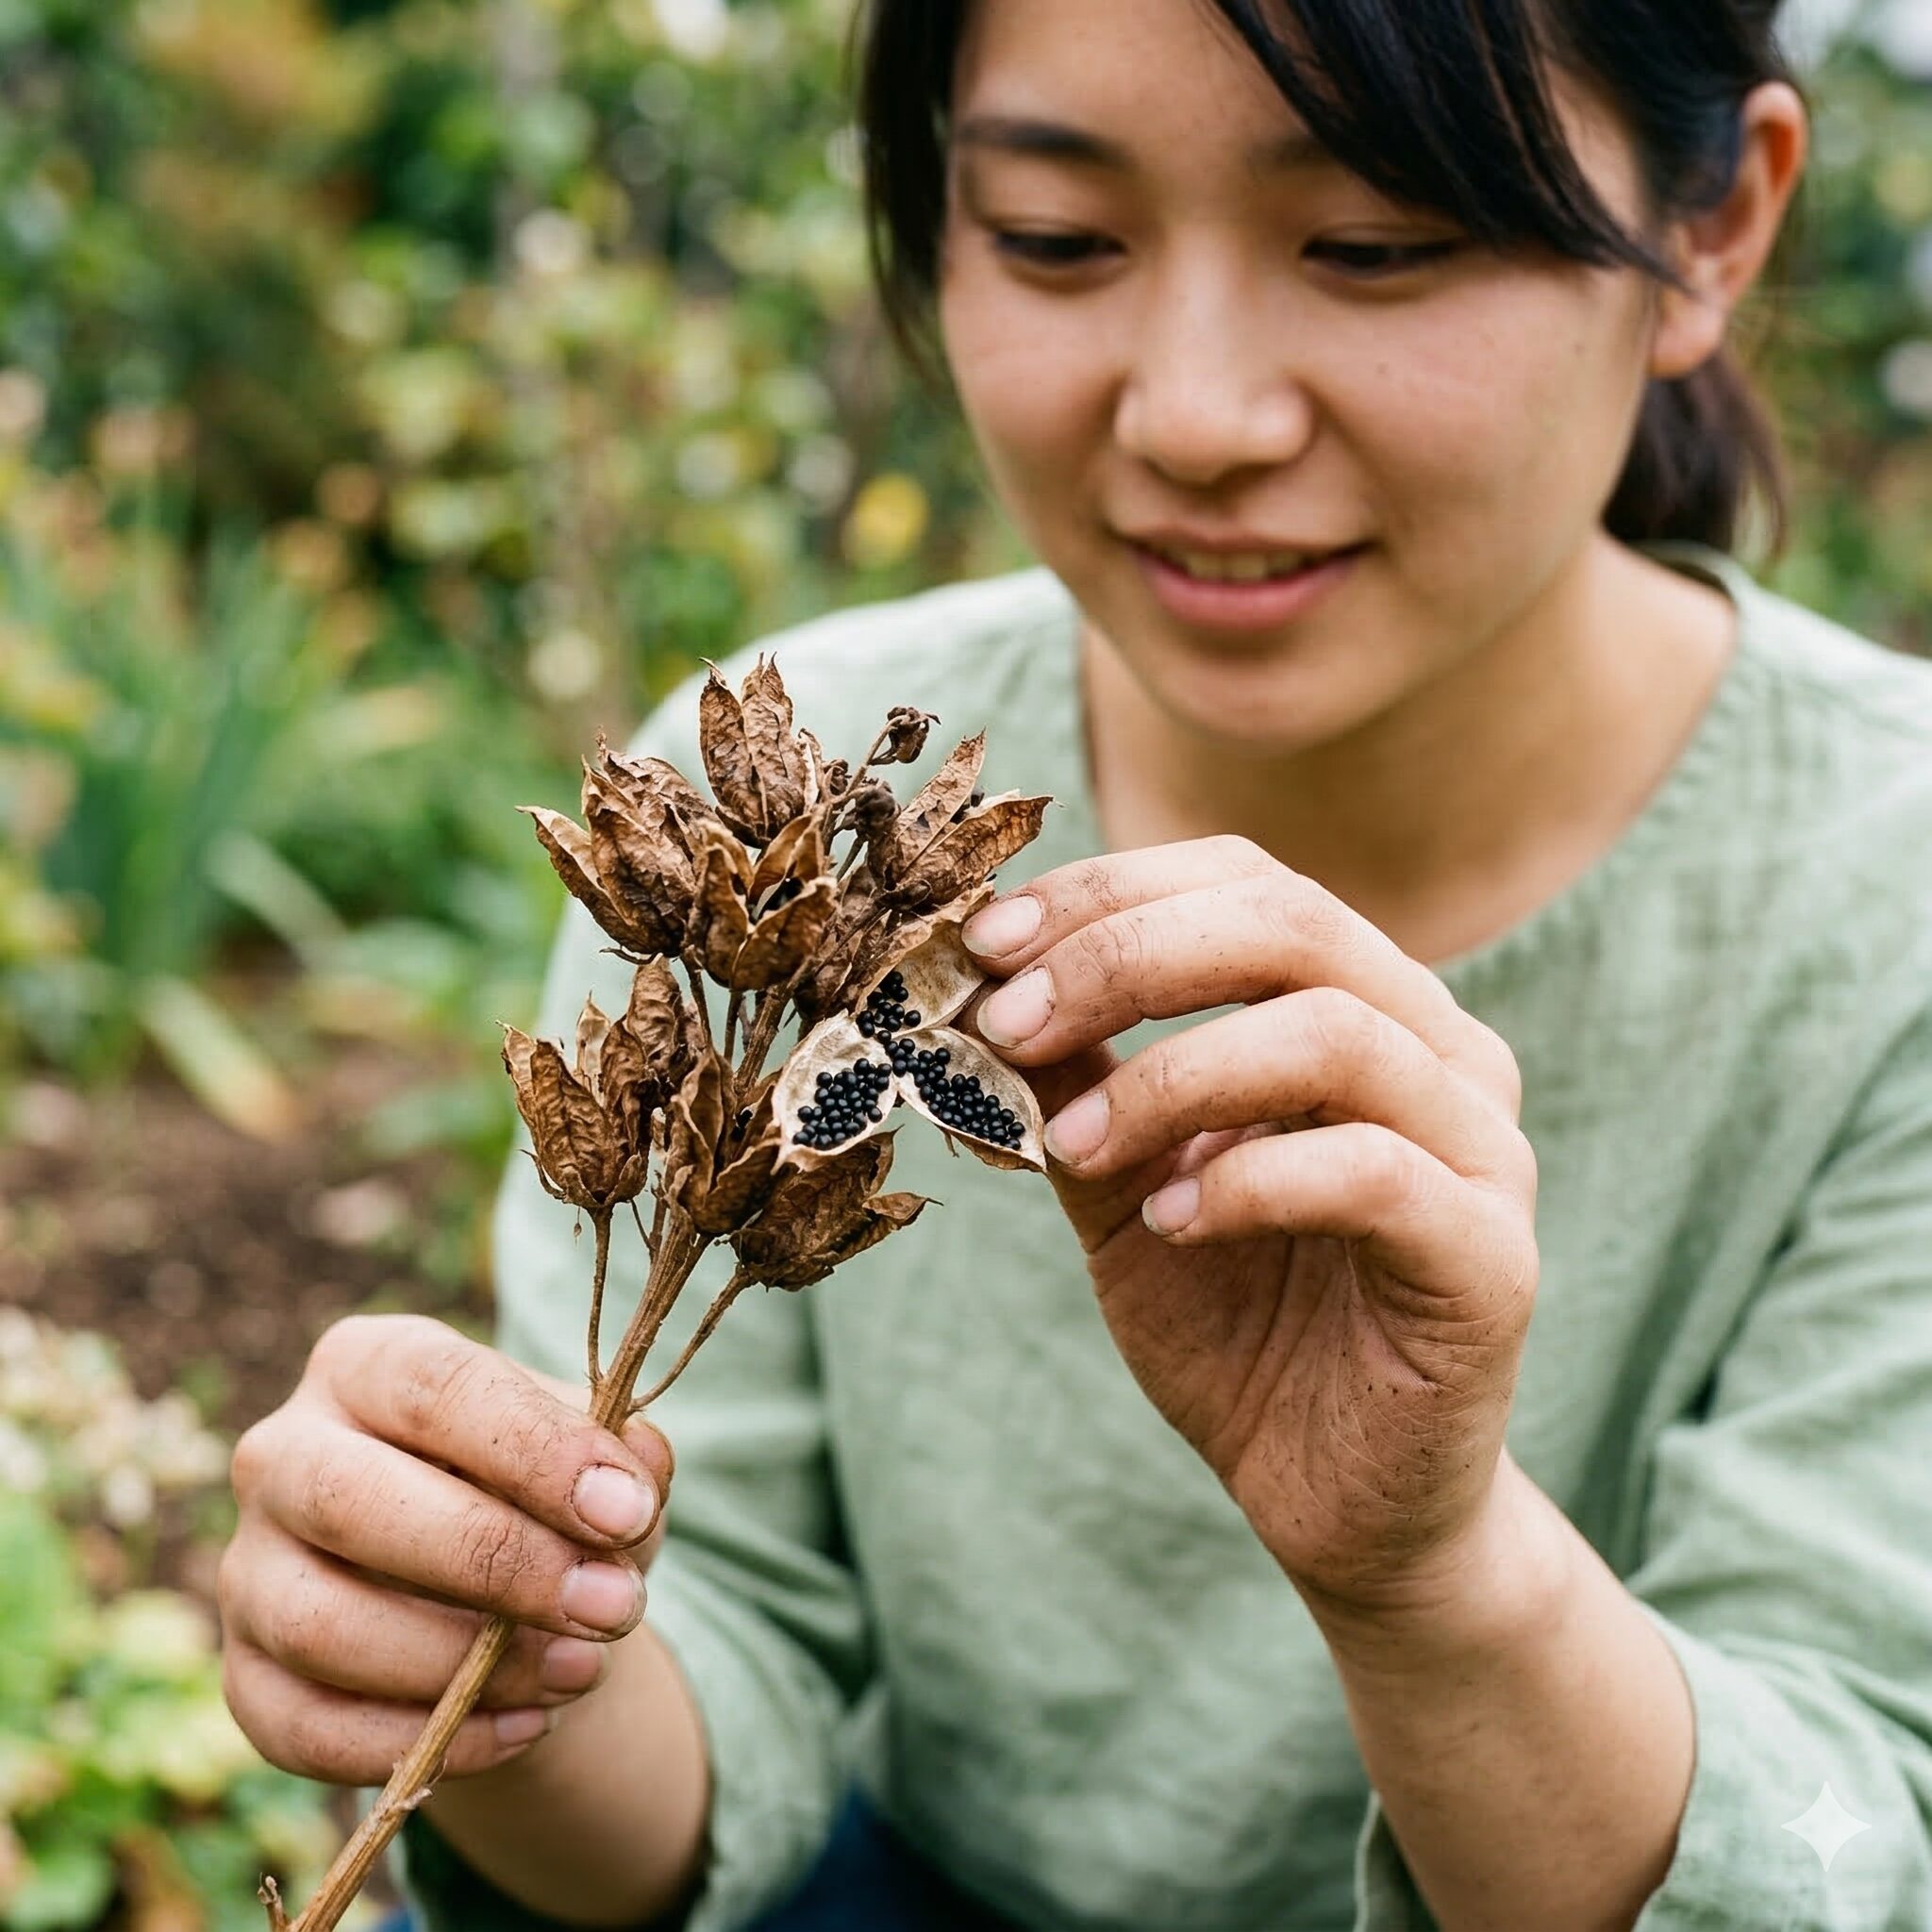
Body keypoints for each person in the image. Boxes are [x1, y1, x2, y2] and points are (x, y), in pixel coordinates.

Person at [219, 0, 1932, 1926]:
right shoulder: (788, 822)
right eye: (1053, 236)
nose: (1197, 415)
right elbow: (714, 1664)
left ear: (1711, 232)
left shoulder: (1892, 903)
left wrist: (1434, 1568)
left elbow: (1845, 1842)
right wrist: (477, 1650)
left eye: (1373, 247)